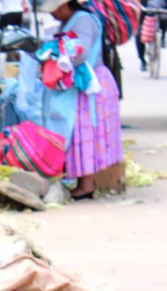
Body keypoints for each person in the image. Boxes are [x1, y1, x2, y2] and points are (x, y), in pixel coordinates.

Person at [40, 0, 124, 200]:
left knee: (84, 132)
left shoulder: (83, 21)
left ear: (63, 7)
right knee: (80, 132)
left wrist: (55, 54)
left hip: (90, 86)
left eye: (54, 11)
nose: (52, 16)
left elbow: (82, 53)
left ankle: (86, 185)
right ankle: (81, 181)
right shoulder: (70, 21)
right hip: (81, 85)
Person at [136, 0, 167, 71]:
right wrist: (138, 6)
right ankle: (142, 60)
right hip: (146, 12)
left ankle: (163, 37)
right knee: (139, 35)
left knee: (166, 19)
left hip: (161, 12)